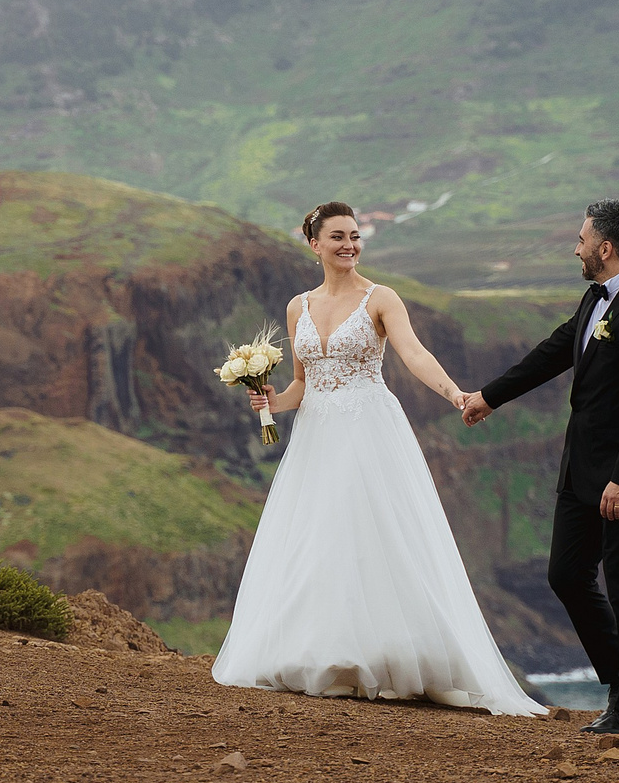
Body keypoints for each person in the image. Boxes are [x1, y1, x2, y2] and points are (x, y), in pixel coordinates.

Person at [211, 202, 545, 715]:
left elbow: (413, 353)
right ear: (314, 244)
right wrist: (269, 401)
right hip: (317, 436)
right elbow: (303, 384)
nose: (349, 245)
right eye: (338, 237)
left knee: (371, 534)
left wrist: (456, 395)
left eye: (355, 236)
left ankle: (385, 656)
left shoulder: (381, 298)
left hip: (368, 428)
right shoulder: (297, 306)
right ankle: (326, 654)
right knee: (320, 538)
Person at [459, 199, 619, 735]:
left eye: (581, 240)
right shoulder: (594, 299)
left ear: (605, 248)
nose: (575, 248)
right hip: (580, 472)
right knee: (565, 575)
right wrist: (490, 396)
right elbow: (554, 352)